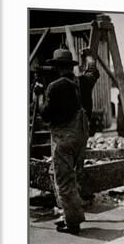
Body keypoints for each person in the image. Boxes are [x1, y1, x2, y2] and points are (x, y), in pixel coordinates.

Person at [34, 47, 100, 234]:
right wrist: (88, 55)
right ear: (70, 67)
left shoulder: (54, 87)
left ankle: (73, 223)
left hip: (64, 139)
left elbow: (45, 114)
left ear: (56, 67)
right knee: (72, 177)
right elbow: (93, 71)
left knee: (63, 180)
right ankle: (71, 215)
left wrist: (38, 94)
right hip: (81, 136)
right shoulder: (83, 81)